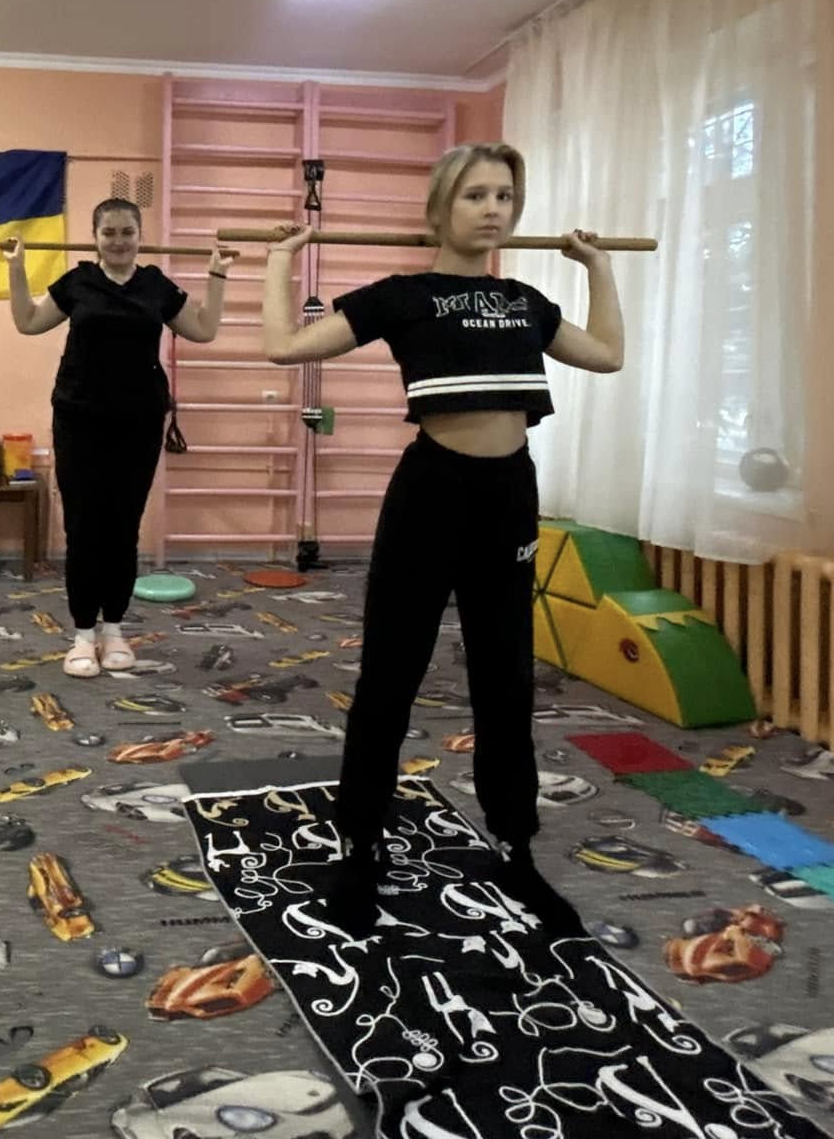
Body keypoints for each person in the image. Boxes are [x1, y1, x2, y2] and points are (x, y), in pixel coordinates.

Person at [261, 142, 624, 935]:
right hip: (431, 494)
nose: (494, 209)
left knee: (506, 680)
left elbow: (607, 356)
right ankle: (360, 845)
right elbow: (285, 347)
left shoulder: (525, 301)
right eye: (475, 195)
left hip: (509, 496)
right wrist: (280, 262)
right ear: (439, 209)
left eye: (504, 196)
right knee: (391, 677)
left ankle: (515, 842)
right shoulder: (403, 296)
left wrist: (597, 267)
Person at [2, 200, 236, 677]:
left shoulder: (156, 285)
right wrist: (17, 268)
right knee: (83, 528)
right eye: (108, 232)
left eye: (127, 231)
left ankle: (114, 629)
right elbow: (27, 321)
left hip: (138, 421)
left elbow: (204, 329)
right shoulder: (78, 282)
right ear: (95, 236)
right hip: (79, 418)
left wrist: (217, 274)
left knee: (123, 527)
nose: (118, 241)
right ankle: (82, 635)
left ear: (139, 234)